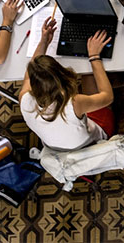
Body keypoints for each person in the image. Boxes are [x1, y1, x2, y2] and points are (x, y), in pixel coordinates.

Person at [19, 17, 115, 151]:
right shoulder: (74, 103)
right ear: (61, 74)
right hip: (91, 144)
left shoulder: (24, 99)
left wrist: (44, 41)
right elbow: (108, 96)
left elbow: (28, 78)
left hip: (58, 150)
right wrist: (94, 56)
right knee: (89, 74)